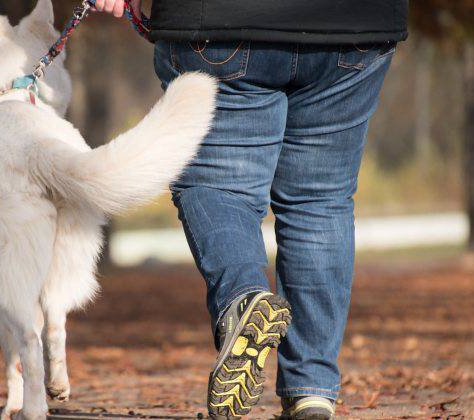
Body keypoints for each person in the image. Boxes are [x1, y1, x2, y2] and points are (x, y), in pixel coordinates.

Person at [94, 0, 408, 418]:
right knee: (320, 202)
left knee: (217, 185)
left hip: (221, 22)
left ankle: (243, 298)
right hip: (353, 27)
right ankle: (312, 390)